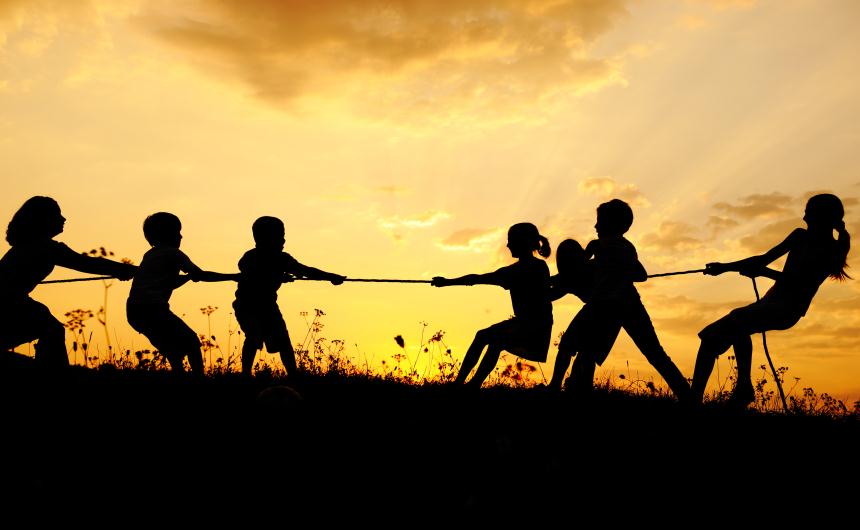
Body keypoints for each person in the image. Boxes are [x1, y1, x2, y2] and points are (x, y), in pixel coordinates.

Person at [691, 193, 850, 405]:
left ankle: (743, 386)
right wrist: (725, 267)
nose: (803, 216)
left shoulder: (831, 250)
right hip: (770, 302)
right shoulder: (799, 236)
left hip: (788, 309)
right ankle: (693, 400)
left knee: (739, 319)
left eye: (808, 212)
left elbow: (800, 283)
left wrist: (763, 272)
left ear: (820, 217)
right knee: (710, 337)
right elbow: (762, 259)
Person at [565, 199, 690, 399]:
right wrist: (620, 270)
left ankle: (578, 394)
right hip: (630, 304)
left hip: (605, 306)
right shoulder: (627, 248)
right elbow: (641, 274)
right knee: (655, 353)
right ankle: (687, 395)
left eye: (599, 221)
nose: (595, 226)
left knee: (587, 350)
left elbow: (578, 268)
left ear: (611, 223)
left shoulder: (596, 245)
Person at [0, 196, 136, 367]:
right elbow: (85, 263)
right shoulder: (46, 248)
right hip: (8, 302)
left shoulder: (29, 246)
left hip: (11, 301)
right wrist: (125, 269)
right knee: (51, 329)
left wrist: (122, 270)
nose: (63, 219)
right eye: (57, 214)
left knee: (47, 326)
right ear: (43, 220)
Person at [432, 222, 552, 389]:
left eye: (511, 240)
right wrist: (447, 282)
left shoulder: (520, 271)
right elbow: (476, 278)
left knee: (492, 339)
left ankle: (468, 385)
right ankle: (463, 384)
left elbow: (476, 279)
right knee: (485, 336)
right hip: (527, 324)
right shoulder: (534, 268)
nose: (508, 245)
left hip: (534, 328)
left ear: (522, 242)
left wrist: (447, 282)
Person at [126, 212, 237, 374]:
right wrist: (232, 277)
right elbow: (202, 275)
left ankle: (181, 379)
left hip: (135, 312)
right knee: (191, 342)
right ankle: (199, 379)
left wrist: (186, 278)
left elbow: (166, 282)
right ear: (168, 235)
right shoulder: (174, 254)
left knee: (173, 350)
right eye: (177, 232)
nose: (181, 236)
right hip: (153, 310)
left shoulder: (150, 255)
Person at [233, 216, 345, 376]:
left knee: (283, 340)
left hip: (269, 306)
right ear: (261, 238)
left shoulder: (283, 259)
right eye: (278, 236)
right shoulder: (250, 257)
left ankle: (293, 375)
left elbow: (305, 271)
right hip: (247, 305)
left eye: (282, 235)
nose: (283, 239)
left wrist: (330, 276)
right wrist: (276, 276)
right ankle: (245, 375)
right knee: (254, 336)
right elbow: (251, 271)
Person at [546, 239, 621, 391]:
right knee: (577, 349)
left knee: (583, 351)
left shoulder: (590, 267)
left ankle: (565, 386)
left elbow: (551, 291)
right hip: (601, 310)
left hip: (608, 310)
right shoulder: (570, 276)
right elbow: (551, 290)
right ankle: (567, 386)